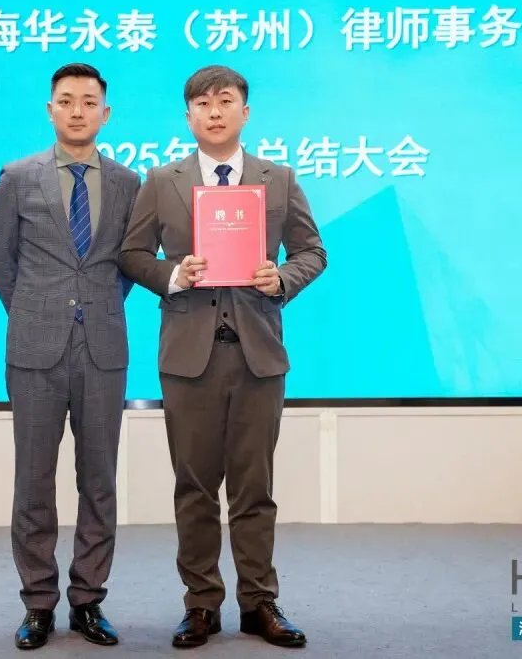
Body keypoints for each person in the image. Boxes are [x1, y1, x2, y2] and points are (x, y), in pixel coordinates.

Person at [118, 65, 327, 648]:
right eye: (203, 104)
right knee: (194, 488)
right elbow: (132, 255)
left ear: (245, 111)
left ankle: (260, 603)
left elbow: (312, 251)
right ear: (188, 117)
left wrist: (281, 278)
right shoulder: (162, 181)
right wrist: (173, 274)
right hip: (190, 359)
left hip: (259, 357)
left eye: (225, 101)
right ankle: (201, 605)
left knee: (254, 489)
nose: (214, 112)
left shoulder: (278, 179)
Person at [0, 62, 141, 650]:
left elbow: (127, 266)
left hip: (102, 348)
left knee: (99, 480)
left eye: (89, 101)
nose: (78, 110)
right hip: (35, 349)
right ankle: (37, 604)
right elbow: (1, 262)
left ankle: (88, 601)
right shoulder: (17, 177)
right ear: (50, 109)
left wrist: (92, 307)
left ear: (105, 113)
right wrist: (38, 311)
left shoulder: (128, 183)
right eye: (67, 100)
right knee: (33, 481)